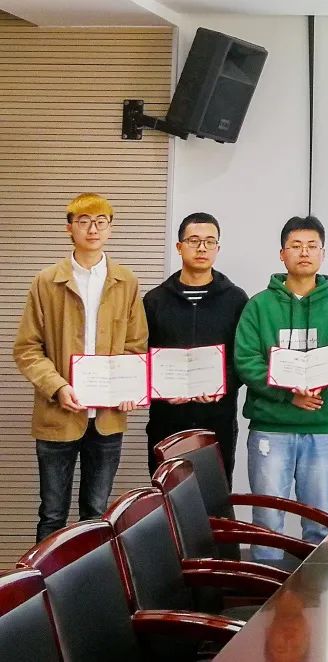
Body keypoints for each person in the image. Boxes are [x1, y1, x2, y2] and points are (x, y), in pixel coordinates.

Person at [13, 193, 148, 541]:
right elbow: (27, 348)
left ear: (110, 228)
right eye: (84, 221)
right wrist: (57, 386)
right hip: (57, 414)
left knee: (96, 513)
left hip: (107, 418)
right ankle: (44, 578)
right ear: (69, 228)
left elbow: (136, 345)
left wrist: (128, 388)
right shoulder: (46, 281)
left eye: (101, 221)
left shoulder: (126, 281)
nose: (93, 229)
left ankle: (91, 577)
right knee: (52, 514)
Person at [233, 215, 328, 557]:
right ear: (282, 253)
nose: (304, 252)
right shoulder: (258, 306)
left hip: (319, 429)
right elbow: (247, 360)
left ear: (323, 253)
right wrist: (289, 394)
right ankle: (266, 588)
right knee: (267, 522)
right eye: (296, 246)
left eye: (312, 246)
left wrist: (316, 388)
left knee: (319, 522)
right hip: (270, 429)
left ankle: (315, 589)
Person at [143, 212, 248, 481]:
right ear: (179, 247)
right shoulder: (155, 300)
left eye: (210, 241)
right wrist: (159, 388)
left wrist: (222, 384)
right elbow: (142, 356)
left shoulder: (236, 299)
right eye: (194, 240)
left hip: (217, 420)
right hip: (166, 420)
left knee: (215, 497)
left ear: (217, 248)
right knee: (167, 495)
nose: (202, 248)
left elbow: (243, 356)